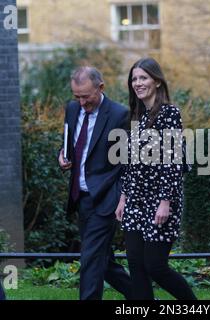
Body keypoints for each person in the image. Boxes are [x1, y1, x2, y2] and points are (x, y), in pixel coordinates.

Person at [115, 57, 197, 300]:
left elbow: (172, 162)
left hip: (160, 201)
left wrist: (165, 201)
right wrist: (123, 197)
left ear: (157, 82)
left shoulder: (169, 113)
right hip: (135, 201)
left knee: (155, 266)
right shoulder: (137, 116)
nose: (138, 83)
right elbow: (130, 164)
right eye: (134, 78)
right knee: (136, 268)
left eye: (143, 78)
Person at [58, 66, 132, 300]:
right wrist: (62, 155)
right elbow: (69, 143)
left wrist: (122, 195)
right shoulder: (71, 109)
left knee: (90, 258)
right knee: (102, 260)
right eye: (76, 96)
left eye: (86, 96)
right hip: (80, 198)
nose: (81, 102)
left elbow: (127, 162)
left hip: (105, 198)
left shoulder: (120, 114)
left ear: (101, 88)